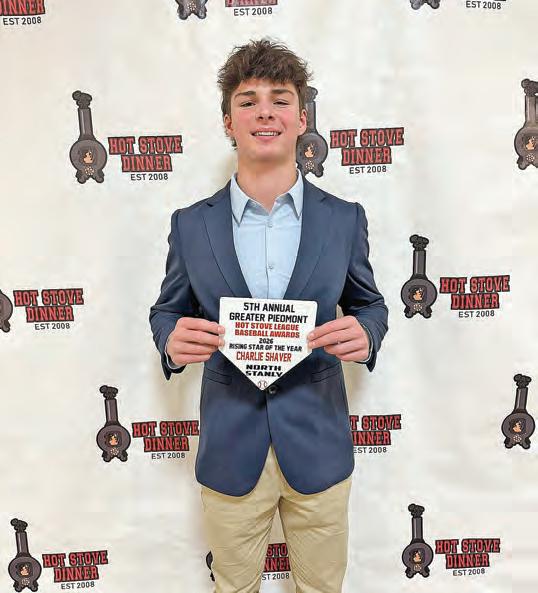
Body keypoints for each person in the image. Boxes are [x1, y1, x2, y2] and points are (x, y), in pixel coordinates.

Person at [149, 38, 388, 593]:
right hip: (231, 447)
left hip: (319, 443)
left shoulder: (344, 220)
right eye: (248, 101)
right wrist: (170, 339)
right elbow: (167, 311)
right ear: (227, 122)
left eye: (280, 100)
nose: (265, 113)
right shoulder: (190, 224)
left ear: (302, 119)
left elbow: (370, 305)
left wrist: (367, 332)